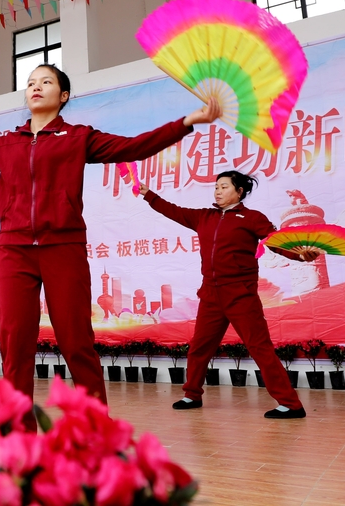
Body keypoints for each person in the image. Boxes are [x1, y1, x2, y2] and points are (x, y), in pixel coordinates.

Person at [0, 63, 219, 424]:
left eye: (46, 82)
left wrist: (187, 122)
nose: (36, 87)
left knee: (76, 342)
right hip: (15, 252)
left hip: (64, 248)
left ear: (63, 95)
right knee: (16, 345)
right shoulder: (5, 144)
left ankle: (95, 429)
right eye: (31, 82)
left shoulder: (78, 137)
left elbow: (133, 147)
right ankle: (21, 434)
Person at [137, 170, 322, 419]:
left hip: (240, 295)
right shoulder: (203, 217)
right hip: (211, 296)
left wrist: (299, 255)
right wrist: (149, 194)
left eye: (224, 187)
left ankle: (291, 404)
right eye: (216, 187)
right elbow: (172, 210)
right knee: (199, 348)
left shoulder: (252, 218)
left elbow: (276, 241)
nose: (218, 191)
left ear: (239, 191)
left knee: (260, 348)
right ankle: (192, 394)